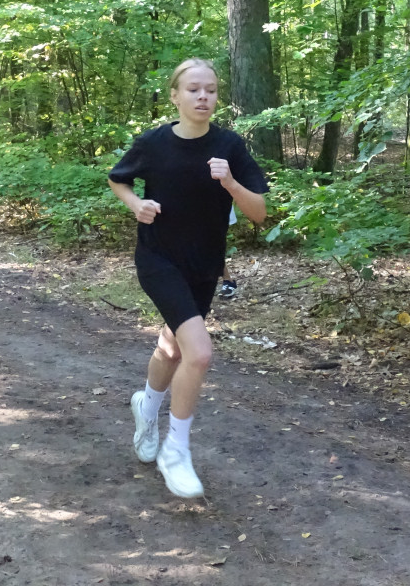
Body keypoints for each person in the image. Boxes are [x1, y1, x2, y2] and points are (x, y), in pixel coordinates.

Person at [108, 58, 269, 498]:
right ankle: (175, 451)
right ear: (175, 96)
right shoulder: (153, 143)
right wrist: (135, 205)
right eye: (194, 89)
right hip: (158, 259)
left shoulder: (230, 146)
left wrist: (231, 183)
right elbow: (118, 179)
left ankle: (147, 404)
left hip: (205, 266)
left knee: (174, 345)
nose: (203, 97)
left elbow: (259, 214)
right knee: (198, 354)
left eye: (212, 90)